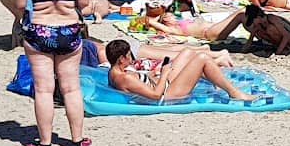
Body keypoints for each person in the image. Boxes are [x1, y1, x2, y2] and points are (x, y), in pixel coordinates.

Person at [14, 0, 88, 146]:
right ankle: (77, 139)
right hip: (68, 30)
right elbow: (83, 4)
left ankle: (45, 143)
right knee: (71, 88)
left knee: (44, 89)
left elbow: (19, 5)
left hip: (39, 30)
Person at [105, 40, 252, 103]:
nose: (131, 58)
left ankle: (216, 79)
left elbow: (138, 85)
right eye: (129, 56)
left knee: (187, 53)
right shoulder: (124, 78)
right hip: (168, 94)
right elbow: (156, 96)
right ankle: (235, 93)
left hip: (162, 84)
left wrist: (152, 74)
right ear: (121, 59)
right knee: (202, 58)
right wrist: (164, 74)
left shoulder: (114, 72)